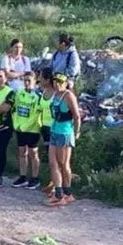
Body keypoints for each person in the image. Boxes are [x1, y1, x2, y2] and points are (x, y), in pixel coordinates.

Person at [46, 74, 80, 207]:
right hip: (54, 131)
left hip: (64, 133)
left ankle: (67, 192)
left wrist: (76, 132)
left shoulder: (68, 96)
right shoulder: (55, 95)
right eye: (55, 81)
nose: (57, 84)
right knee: (53, 163)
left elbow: (77, 116)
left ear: (66, 83)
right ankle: (59, 193)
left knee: (63, 164)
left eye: (60, 82)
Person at [10, 71, 44, 190]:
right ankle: (22, 176)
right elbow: (15, 109)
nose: (27, 83)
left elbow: (39, 113)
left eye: (29, 80)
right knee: (21, 152)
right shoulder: (19, 93)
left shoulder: (38, 96)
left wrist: (32, 125)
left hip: (33, 129)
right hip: (20, 127)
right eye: (25, 80)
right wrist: (16, 123)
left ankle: (35, 178)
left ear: (35, 82)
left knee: (33, 153)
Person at [37, 68, 57, 193]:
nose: (38, 79)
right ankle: (52, 181)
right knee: (50, 158)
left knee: (56, 159)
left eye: (40, 77)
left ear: (47, 79)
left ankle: (58, 185)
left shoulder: (56, 93)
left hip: (54, 128)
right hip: (45, 127)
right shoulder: (44, 91)